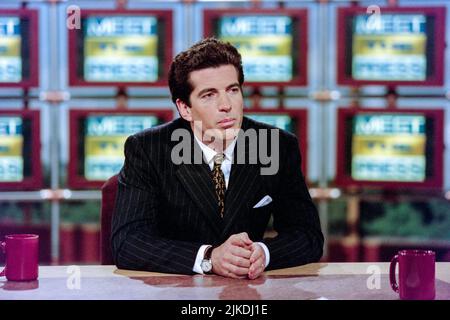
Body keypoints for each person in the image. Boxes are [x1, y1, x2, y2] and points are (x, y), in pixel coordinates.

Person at [111, 38, 323, 279]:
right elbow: (128, 243)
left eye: (233, 90)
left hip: (249, 293)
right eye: (209, 95)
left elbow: (308, 235)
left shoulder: (275, 145)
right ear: (185, 109)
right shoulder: (148, 150)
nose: (226, 105)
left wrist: (263, 252)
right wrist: (209, 258)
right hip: (175, 292)